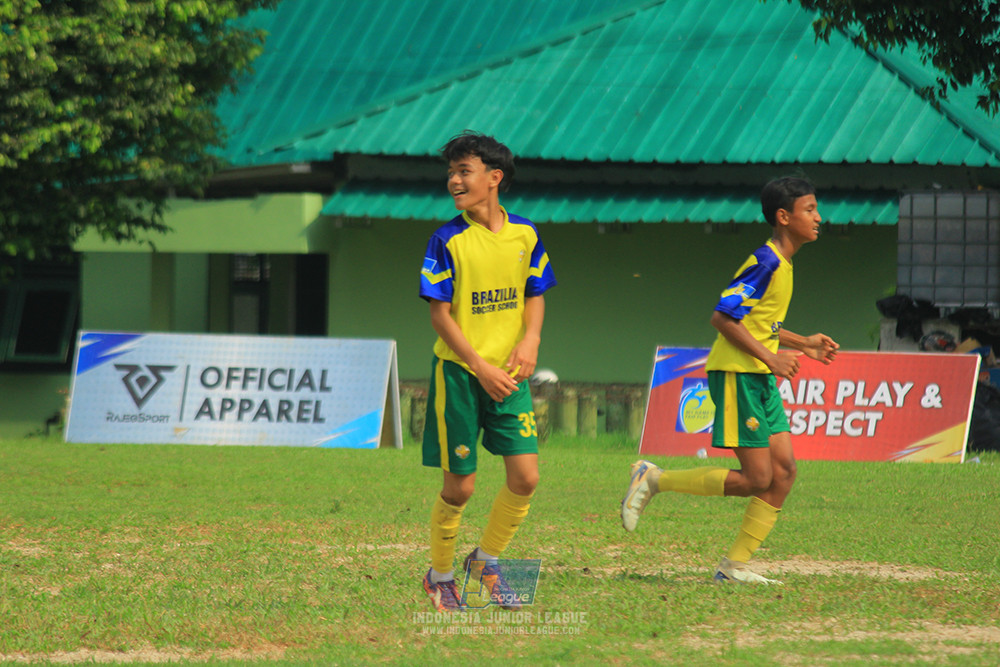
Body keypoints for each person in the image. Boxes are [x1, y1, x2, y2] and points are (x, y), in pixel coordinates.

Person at [621, 176, 839, 584]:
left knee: (785, 471)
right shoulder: (767, 260)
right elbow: (722, 317)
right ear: (783, 217)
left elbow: (760, 321)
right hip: (737, 374)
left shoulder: (784, 262)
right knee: (758, 478)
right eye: (810, 210)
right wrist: (773, 358)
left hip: (757, 376)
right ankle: (652, 479)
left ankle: (733, 567)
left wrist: (802, 342)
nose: (818, 217)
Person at [419, 131, 557, 611]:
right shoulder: (446, 239)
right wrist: (478, 366)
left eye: (465, 171)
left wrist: (531, 338)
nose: (455, 180)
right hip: (460, 374)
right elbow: (440, 314)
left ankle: (486, 561)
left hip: (509, 377)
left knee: (526, 477)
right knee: (461, 486)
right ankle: (439, 576)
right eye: (452, 172)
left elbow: (535, 290)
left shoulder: (525, 234)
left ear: (494, 178)